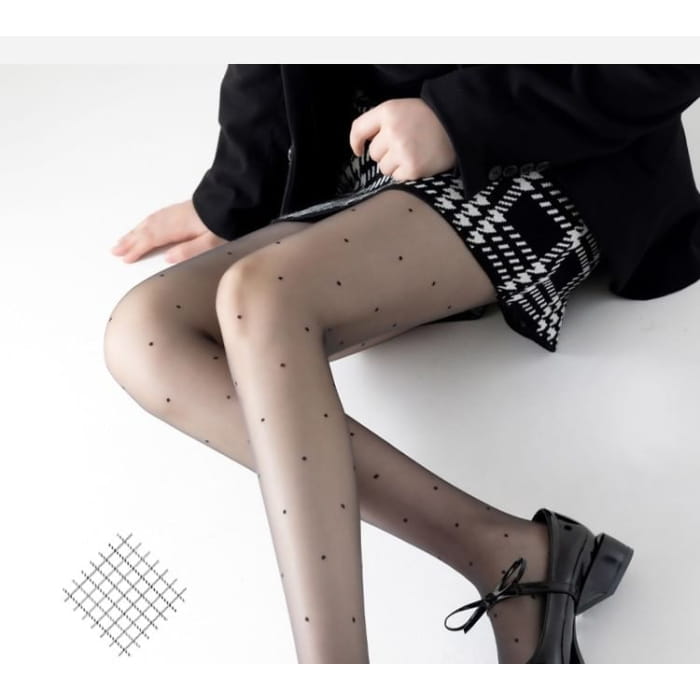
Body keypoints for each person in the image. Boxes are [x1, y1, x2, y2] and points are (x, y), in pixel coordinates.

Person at [104, 64, 699, 663]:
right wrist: (230, 196)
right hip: (376, 156)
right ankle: (508, 554)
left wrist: (456, 118)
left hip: (546, 142)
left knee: (263, 296)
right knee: (144, 332)